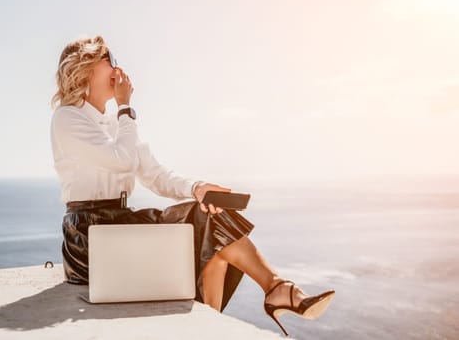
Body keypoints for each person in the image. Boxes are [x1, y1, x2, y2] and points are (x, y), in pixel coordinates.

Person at [49, 34, 335, 337]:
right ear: (87, 67)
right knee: (206, 230)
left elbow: (156, 175)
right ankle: (271, 296)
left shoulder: (117, 124)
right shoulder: (68, 118)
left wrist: (197, 188)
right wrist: (124, 108)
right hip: (89, 234)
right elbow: (121, 160)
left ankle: (261, 297)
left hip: (120, 225)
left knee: (211, 217)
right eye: (111, 62)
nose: (119, 71)